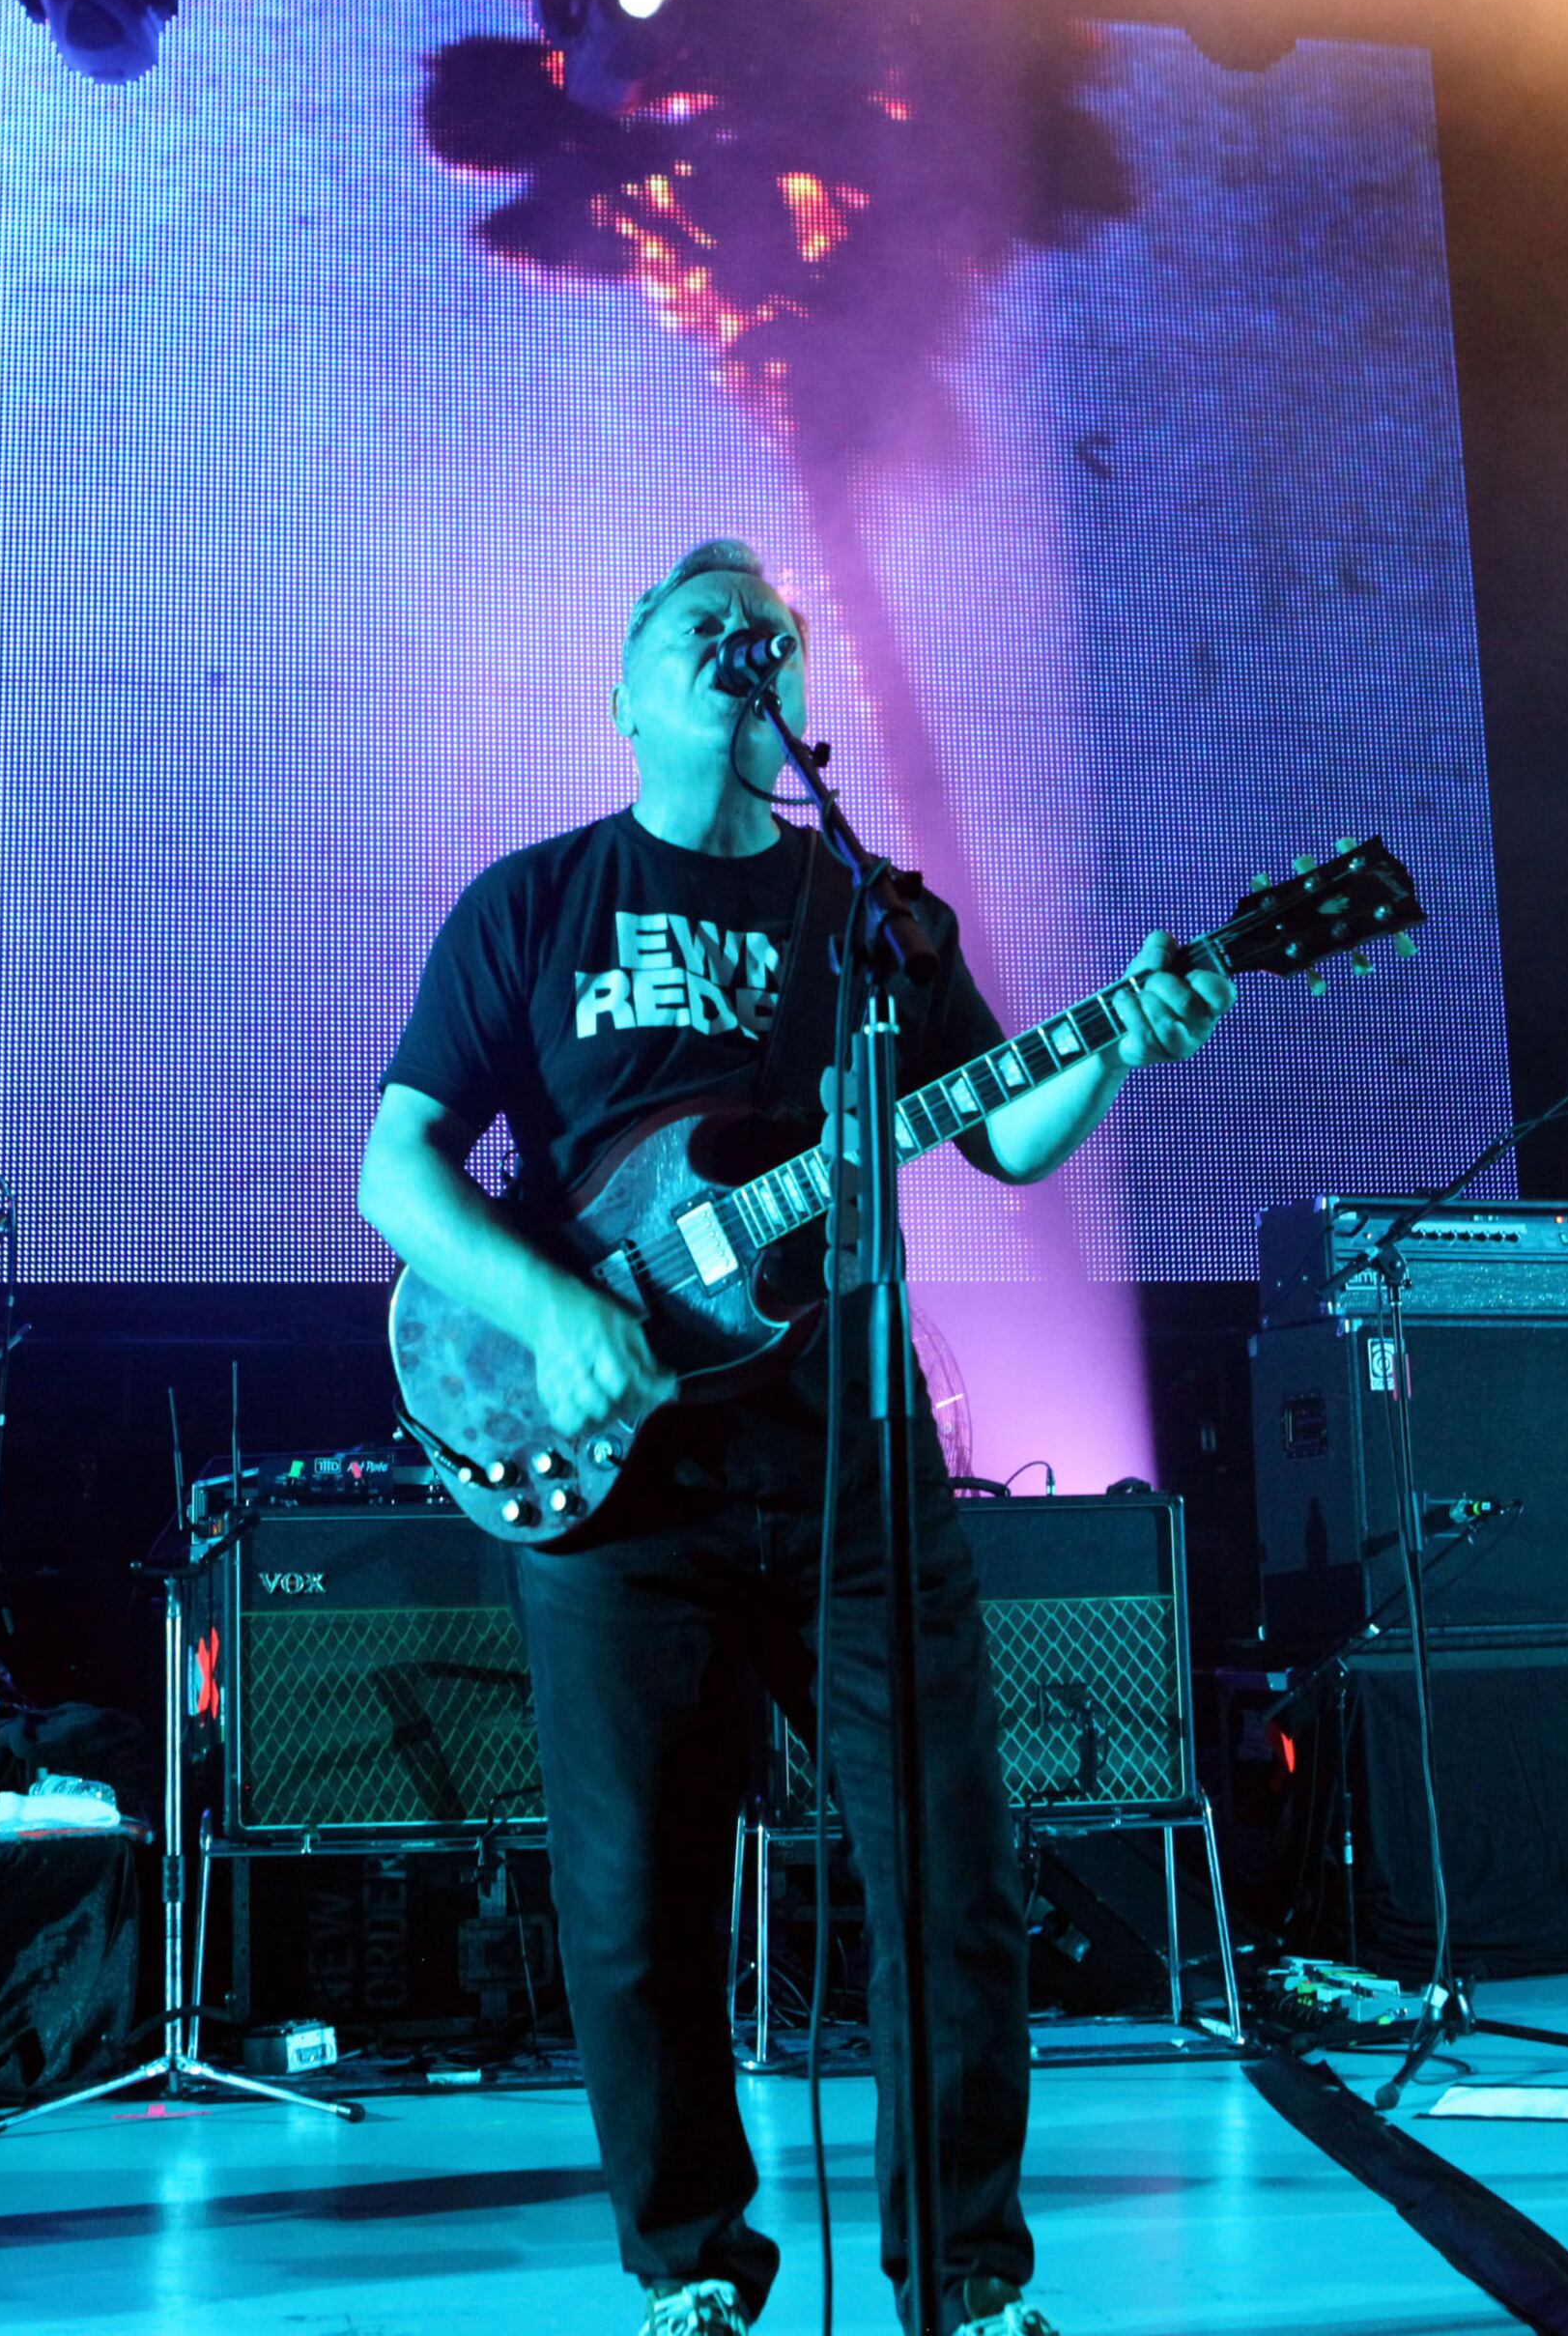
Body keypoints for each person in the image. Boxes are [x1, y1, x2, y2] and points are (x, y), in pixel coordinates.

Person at [357, 540, 1229, 2336]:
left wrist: (1125, 1036)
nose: (743, 644)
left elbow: (1007, 1134)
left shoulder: (875, 919)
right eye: (702, 624)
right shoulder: (533, 905)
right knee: (632, 1908)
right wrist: (557, 1311)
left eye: (774, 633)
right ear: (624, 687)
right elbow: (399, 1167)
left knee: (953, 1885)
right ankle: (691, 2274)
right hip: (622, 1495)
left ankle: (968, 2283)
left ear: (798, 702)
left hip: (850, 1467)